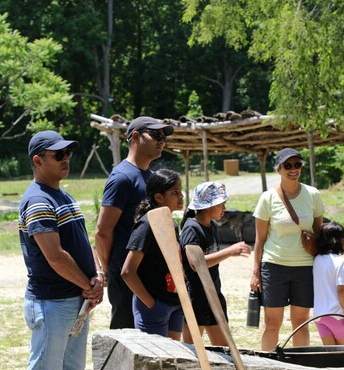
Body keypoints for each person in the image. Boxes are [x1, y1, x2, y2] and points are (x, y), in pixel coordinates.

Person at [19, 130, 104, 370]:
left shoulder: (63, 196)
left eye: (68, 153)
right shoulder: (38, 200)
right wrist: (88, 286)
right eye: (58, 155)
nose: (66, 159)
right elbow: (54, 256)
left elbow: (82, 241)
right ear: (38, 160)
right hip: (52, 302)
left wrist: (98, 275)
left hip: (73, 300)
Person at [95, 116, 174, 329]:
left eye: (164, 137)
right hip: (126, 275)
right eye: (156, 135)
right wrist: (111, 269)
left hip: (148, 276)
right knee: (126, 341)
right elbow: (103, 231)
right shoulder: (122, 177)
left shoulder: (151, 177)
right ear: (136, 137)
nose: (162, 141)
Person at [251, 148, 325, 351]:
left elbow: (319, 232)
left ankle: (300, 366)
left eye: (297, 165)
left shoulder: (313, 194)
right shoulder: (267, 198)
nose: (293, 169)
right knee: (272, 323)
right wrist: (256, 272)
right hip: (274, 266)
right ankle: (268, 365)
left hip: (305, 266)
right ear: (279, 169)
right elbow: (259, 239)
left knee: (300, 323)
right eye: (288, 165)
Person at [179, 181, 251, 346]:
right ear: (207, 206)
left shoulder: (212, 225)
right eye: (221, 204)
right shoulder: (192, 229)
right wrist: (230, 251)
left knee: (224, 351)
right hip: (195, 297)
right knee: (193, 353)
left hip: (213, 293)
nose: (224, 208)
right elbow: (196, 264)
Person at [120, 169, 185, 340]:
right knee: (156, 364)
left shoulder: (171, 222)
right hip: (155, 307)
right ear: (159, 197)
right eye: (175, 192)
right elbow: (127, 272)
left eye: (180, 191)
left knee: (174, 361)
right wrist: (152, 306)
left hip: (175, 303)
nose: (181, 196)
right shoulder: (147, 225)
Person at [313, 221, 344, 346]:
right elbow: (341, 290)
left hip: (319, 316)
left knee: (329, 353)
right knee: (341, 354)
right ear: (341, 240)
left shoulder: (316, 260)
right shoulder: (342, 263)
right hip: (336, 315)